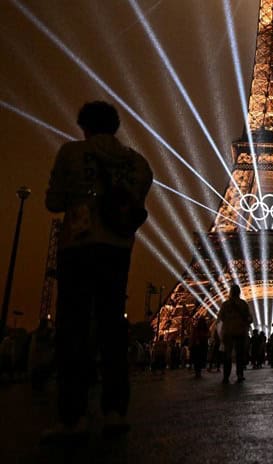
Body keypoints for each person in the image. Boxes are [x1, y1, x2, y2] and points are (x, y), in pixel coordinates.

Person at [43, 101, 152, 441]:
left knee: (72, 329)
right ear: (116, 127)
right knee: (112, 330)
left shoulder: (72, 154)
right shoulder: (137, 163)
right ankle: (115, 411)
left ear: (85, 127)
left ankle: (71, 417)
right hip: (117, 250)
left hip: (79, 247)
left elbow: (54, 202)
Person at [217, 285, 252, 384]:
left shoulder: (225, 304)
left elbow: (221, 317)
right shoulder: (243, 304)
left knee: (227, 355)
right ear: (239, 292)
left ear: (230, 292)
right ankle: (240, 374)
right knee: (239, 355)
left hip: (228, 332)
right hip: (240, 332)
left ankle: (226, 376)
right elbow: (249, 318)